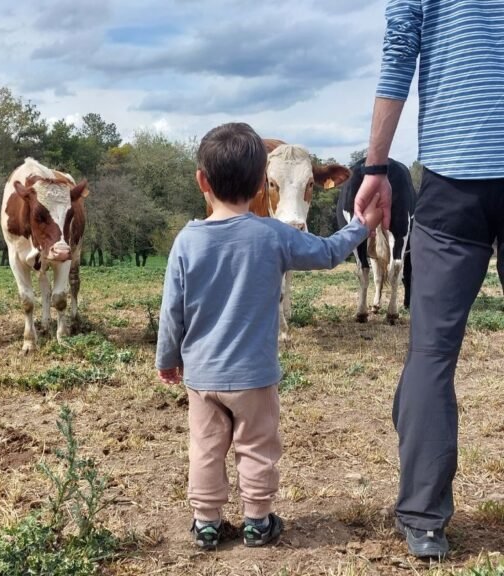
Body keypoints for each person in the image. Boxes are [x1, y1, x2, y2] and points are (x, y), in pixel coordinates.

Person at [156, 122, 381, 550]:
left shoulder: (186, 241)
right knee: (257, 446)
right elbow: (328, 252)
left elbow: (172, 310)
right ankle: (257, 521)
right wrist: (360, 226)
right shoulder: (273, 235)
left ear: (202, 181)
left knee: (205, 448)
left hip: (202, 378)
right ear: (264, 183)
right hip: (255, 377)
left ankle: (206, 522)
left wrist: (167, 359)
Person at [354, 0, 504, 560]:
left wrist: (376, 168)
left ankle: (424, 520)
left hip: (454, 174)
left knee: (431, 355)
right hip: (453, 176)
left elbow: (400, 50)